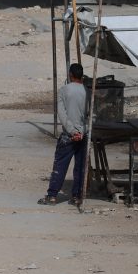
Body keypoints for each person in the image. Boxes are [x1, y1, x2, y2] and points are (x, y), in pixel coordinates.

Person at [39, 63, 88, 206]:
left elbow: (62, 114)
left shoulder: (64, 90)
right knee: (80, 167)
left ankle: (52, 196)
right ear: (82, 75)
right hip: (83, 134)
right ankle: (76, 197)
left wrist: (73, 131)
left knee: (60, 165)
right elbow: (91, 115)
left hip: (69, 135)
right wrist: (82, 132)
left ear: (70, 75)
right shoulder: (88, 91)